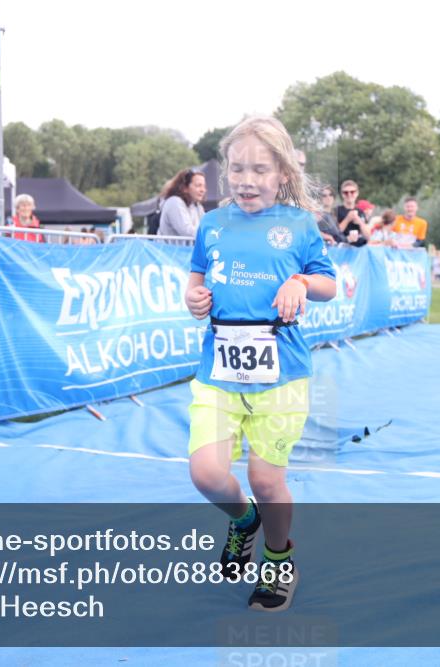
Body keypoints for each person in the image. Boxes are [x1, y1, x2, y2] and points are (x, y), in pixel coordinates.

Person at [184, 116, 337, 612]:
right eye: (237, 169)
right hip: (219, 370)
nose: (246, 180)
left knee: (267, 480)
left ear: (283, 174)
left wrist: (300, 283)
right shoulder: (211, 223)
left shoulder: (297, 225)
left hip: (281, 373)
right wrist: (194, 298)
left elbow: (328, 283)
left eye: (260, 170)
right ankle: (244, 520)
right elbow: (195, 278)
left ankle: (277, 559)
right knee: (207, 474)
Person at [158, 168, 207, 237]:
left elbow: (206, 225)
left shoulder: (197, 206)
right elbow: (186, 231)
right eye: (198, 185)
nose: (203, 190)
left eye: (204, 186)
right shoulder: (174, 202)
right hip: (169, 247)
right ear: (184, 188)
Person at [335, 180, 370, 246]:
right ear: (342, 194)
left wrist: (359, 222)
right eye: (346, 192)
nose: (349, 194)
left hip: (358, 251)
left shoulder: (361, 212)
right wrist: (348, 219)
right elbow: (335, 233)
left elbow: (368, 237)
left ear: (357, 193)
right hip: (341, 250)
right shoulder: (336, 211)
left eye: (352, 192)